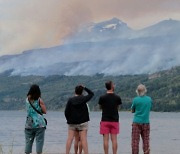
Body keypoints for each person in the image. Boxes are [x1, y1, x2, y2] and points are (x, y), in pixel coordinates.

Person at [65, 85, 94, 154]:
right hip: (83, 122)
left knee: (70, 139)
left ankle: (67, 152)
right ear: (82, 92)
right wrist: (85, 87)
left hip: (72, 122)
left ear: (75, 91)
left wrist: (68, 119)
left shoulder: (70, 100)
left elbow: (66, 111)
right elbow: (91, 94)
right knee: (83, 139)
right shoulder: (84, 99)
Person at [98, 81, 122, 154]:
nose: (114, 85)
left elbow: (100, 107)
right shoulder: (117, 97)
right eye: (113, 84)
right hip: (114, 120)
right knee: (114, 139)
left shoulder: (102, 97)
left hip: (105, 120)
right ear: (112, 86)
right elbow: (118, 107)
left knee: (105, 139)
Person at [25, 84, 47, 154]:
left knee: (28, 141)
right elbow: (44, 111)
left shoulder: (27, 100)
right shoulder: (39, 100)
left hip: (29, 124)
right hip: (39, 124)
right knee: (39, 141)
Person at [131, 84, 152, 154]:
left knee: (135, 141)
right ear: (145, 91)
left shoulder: (135, 100)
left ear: (137, 91)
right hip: (146, 122)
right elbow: (149, 108)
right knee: (146, 140)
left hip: (136, 122)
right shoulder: (149, 99)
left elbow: (132, 110)